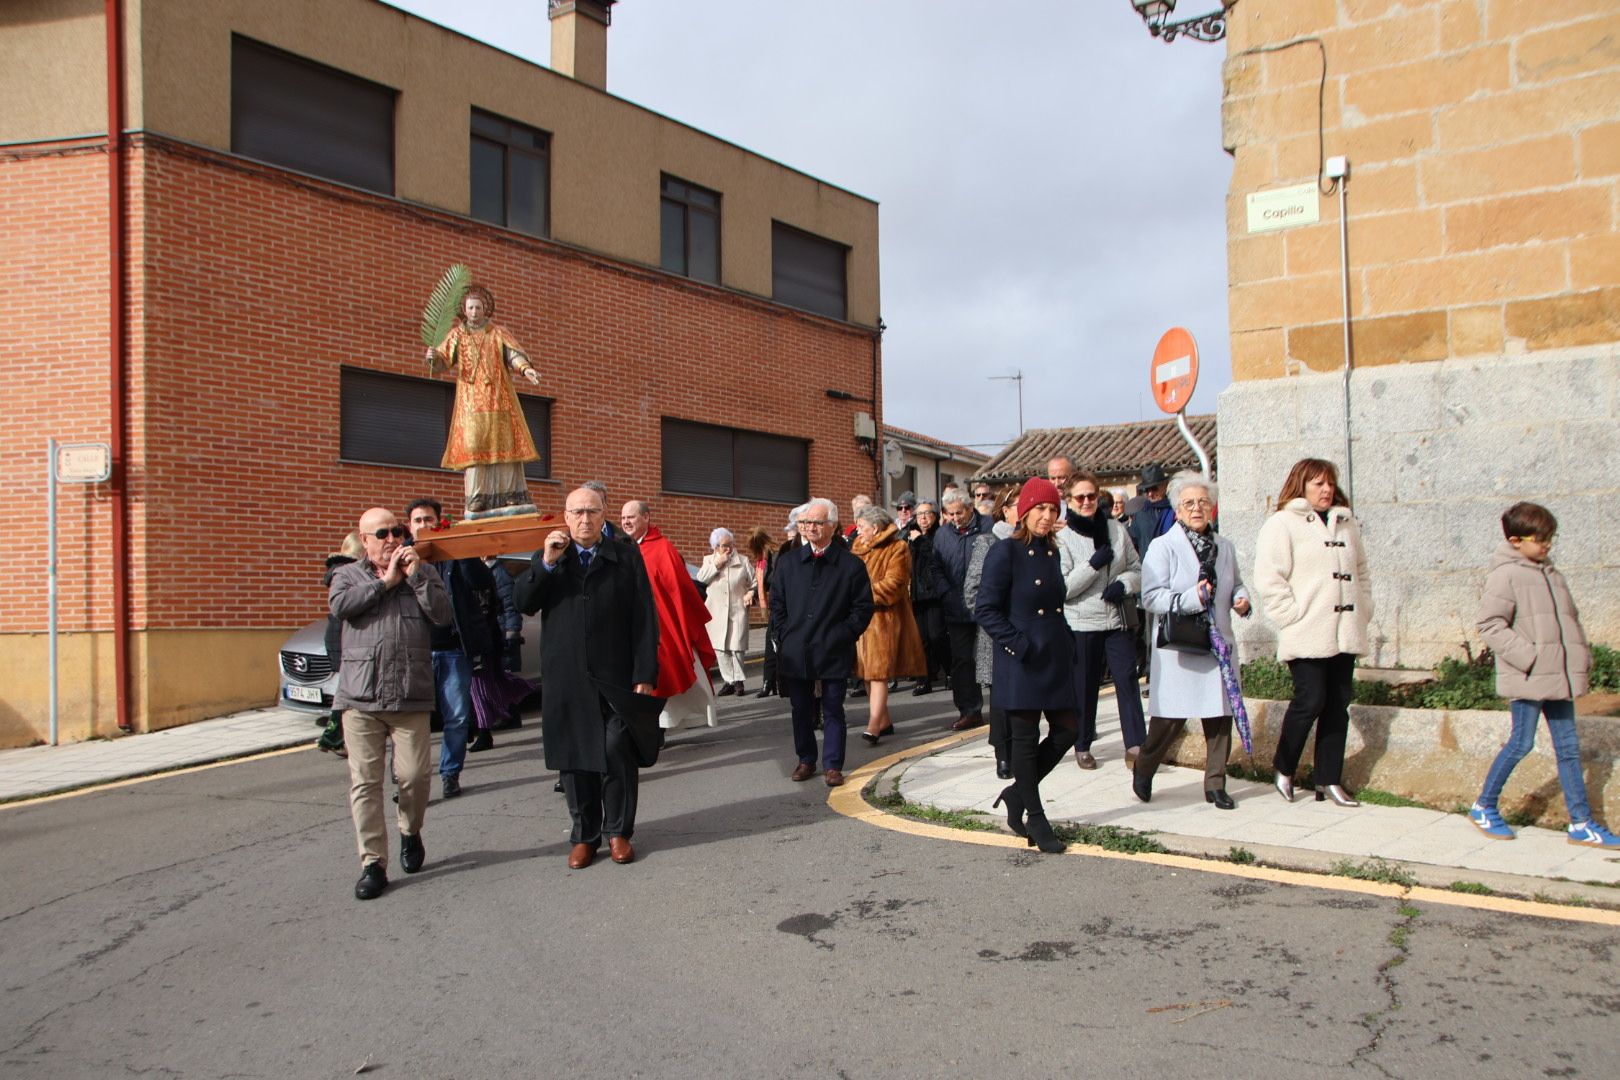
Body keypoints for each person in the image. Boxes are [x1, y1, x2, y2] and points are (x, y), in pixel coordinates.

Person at [513, 486, 659, 869]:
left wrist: (644, 672)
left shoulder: (626, 555)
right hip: (567, 676)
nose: (584, 519)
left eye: (592, 512)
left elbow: (644, 616)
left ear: (604, 514)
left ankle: (618, 832)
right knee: (574, 758)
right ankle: (584, 836)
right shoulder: (552, 558)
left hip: (615, 676)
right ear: (565, 517)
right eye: (577, 512)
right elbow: (523, 602)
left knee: (615, 750)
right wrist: (545, 562)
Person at [1468, 502, 1619, 847]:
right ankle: (1484, 806)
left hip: (1558, 676)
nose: (1547, 544)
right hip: (1530, 675)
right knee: (1521, 742)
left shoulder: (1551, 573)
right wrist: (1529, 657)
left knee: (1568, 748)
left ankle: (1581, 823)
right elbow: (1490, 624)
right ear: (1516, 539)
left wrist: (1581, 656)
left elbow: (1570, 620)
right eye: (1541, 538)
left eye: (1550, 537)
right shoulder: (1506, 574)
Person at [329, 507, 452, 900]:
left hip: (409, 694)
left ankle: (409, 830)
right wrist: (386, 583)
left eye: (396, 531)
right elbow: (341, 607)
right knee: (366, 783)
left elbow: (444, 616)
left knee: (415, 777)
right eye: (381, 534)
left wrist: (414, 578)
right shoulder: (347, 575)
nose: (391, 539)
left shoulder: (424, 573)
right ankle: (372, 863)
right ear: (364, 540)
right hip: (360, 698)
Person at [1253, 458, 1374, 806]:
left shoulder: (1345, 522)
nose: (1326, 489)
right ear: (1301, 486)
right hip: (1306, 629)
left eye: (1330, 483)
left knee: (1338, 703)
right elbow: (1270, 577)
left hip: (1346, 629)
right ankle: (1284, 768)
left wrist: (1363, 608)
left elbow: (1361, 570)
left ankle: (1329, 779)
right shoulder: (1282, 524)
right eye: (1318, 483)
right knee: (1310, 700)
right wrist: (1290, 616)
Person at [974, 478, 1078, 854]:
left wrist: (1066, 643)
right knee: (1026, 738)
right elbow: (984, 608)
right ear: (1025, 511)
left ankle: (1017, 794)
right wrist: (1018, 643)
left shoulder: (1051, 552)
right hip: (1021, 658)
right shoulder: (1005, 552)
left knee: (1069, 729)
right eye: (1041, 509)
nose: (1047, 516)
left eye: (1053, 510)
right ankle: (1035, 815)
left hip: (1052, 656)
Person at [1137, 473, 1250, 809]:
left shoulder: (1224, 547)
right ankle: (1144, 767)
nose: (1197, 508)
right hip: (1180, 646)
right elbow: (1151, 597)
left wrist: (1241, 599)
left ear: (1212, 508)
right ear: (1178, 510)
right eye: (1189, 503)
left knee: (1219, 717)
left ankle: (1215, 783)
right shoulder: (1164, 546)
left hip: (1218, 644)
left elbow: (1237, 584)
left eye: (1203, 502)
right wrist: (1191, 598)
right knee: (1168, 721)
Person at [768, 497, 873, 788]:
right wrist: (783, 634)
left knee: (833, 708)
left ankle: (833, 765)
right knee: (800, 708)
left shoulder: (850, 565)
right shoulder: (788, 562)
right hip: (796, 649)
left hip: (833, 647)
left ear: (832, 525)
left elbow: (863, 608)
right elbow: (776, 604)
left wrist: (843, 634)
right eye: (805, 523)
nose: (810, 528)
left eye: (816, 522)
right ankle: (805, 759)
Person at [407, 498, 499, 796]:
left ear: (438, 521)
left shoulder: (452, 552)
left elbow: (483, 581)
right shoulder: (400, 555)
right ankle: (408, 779)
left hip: (453, 649)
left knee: (457, 716)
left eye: (429, 519)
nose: (424, 525)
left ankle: (450, 773)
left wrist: (461, 549)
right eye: (418, 520)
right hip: (414, 652)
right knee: (410, 720)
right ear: (410, 525)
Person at [423, 285, 541, 517]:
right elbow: (442, 360)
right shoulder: (458, 334)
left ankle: (510, 494)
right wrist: (432, 358)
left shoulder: (498, 332)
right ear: (464, 311)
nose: (474, 311)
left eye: (478, 307)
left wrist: (526, 370)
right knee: (474, 447)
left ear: (485, 309)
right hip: (471, 402)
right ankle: (478, 497)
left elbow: (513, 355)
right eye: (470, 308)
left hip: (499, 397)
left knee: (505, 444)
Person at [1057, 471, 1145, 770]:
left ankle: (1135, 744)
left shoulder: (1116, 530)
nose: (1086, 502)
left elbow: (1136, 568)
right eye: (1079, 497)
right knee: (1084, 685)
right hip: (1082, 622)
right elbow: (1064, 588)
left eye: (1091, 496)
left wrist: (1125, 584)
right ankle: (1082, 744)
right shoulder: (1063, 538)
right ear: (1069, 501)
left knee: (1127, 679)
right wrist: (1093, 565)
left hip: (1116, 618)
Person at [621, 500, 719, 731]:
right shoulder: (623, 547)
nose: (626, 522)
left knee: (661, 677)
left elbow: (679, 589)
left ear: (646, 518)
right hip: (629, 627)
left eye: (631, 517)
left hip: (660, 626)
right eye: (623, 518)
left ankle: (657, 730)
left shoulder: (663, 548)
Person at [850, 506, 928, 744]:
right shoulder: (857, 549)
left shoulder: (898, 548)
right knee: (866, 672)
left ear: (875, 528)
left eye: (862, 527)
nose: (858, 532)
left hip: (883, 620)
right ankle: (884, 722)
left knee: (879, 674)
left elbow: (894, 584)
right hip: (860, 621)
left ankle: (873, 725)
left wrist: (862, 596)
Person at [934, 490, 993, 732]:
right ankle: (969, 711)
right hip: (956, 607)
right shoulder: (942, 535)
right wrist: (946, 593)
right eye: (950, 514)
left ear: (970, 509)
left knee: (989, 659)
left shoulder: (989, 527)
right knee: (962, 661)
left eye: (959, 512)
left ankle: (1001, 707)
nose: (955, 517)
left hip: (986, 605)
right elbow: (935, 568)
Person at [316, 531, 366, 757]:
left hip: (337, 635)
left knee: (345, 690)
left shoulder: (335, 571)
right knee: (348, 693)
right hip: (345, 637)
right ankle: (335, 737)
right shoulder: (348, 572)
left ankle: (338, 738)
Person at [698, 527, 756, 696]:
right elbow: (701, 579)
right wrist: (717, 564)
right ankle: (729, 681)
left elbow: (753, 582)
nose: (728, 549)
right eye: (724, 546)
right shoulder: (709, 561)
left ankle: (739, 681)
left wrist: (750, 593)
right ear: (715, 547)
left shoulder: (743, 561)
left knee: (736, 647)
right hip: (716, 611)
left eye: (730, 544)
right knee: (720, 649)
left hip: (737, 609)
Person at [905, 499, 950, 696]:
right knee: (920, 639)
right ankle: (924, 679)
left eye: (927, 514)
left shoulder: (939, 536)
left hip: (933, 593)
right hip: (915, 594)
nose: (922, 518)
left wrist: (920, 540)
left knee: (937, 636)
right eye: (919, 514)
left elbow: (935, 556)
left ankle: (950, 671)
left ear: (935, 516)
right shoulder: (909, 535)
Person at [747, 526, 780, 697]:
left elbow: (770, 580)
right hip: (775, 606)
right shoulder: (764, 560)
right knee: (770, 645)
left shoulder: (773, 557)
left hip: (780, 606)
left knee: (776, 645)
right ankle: (769, 682)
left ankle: (772, 682)